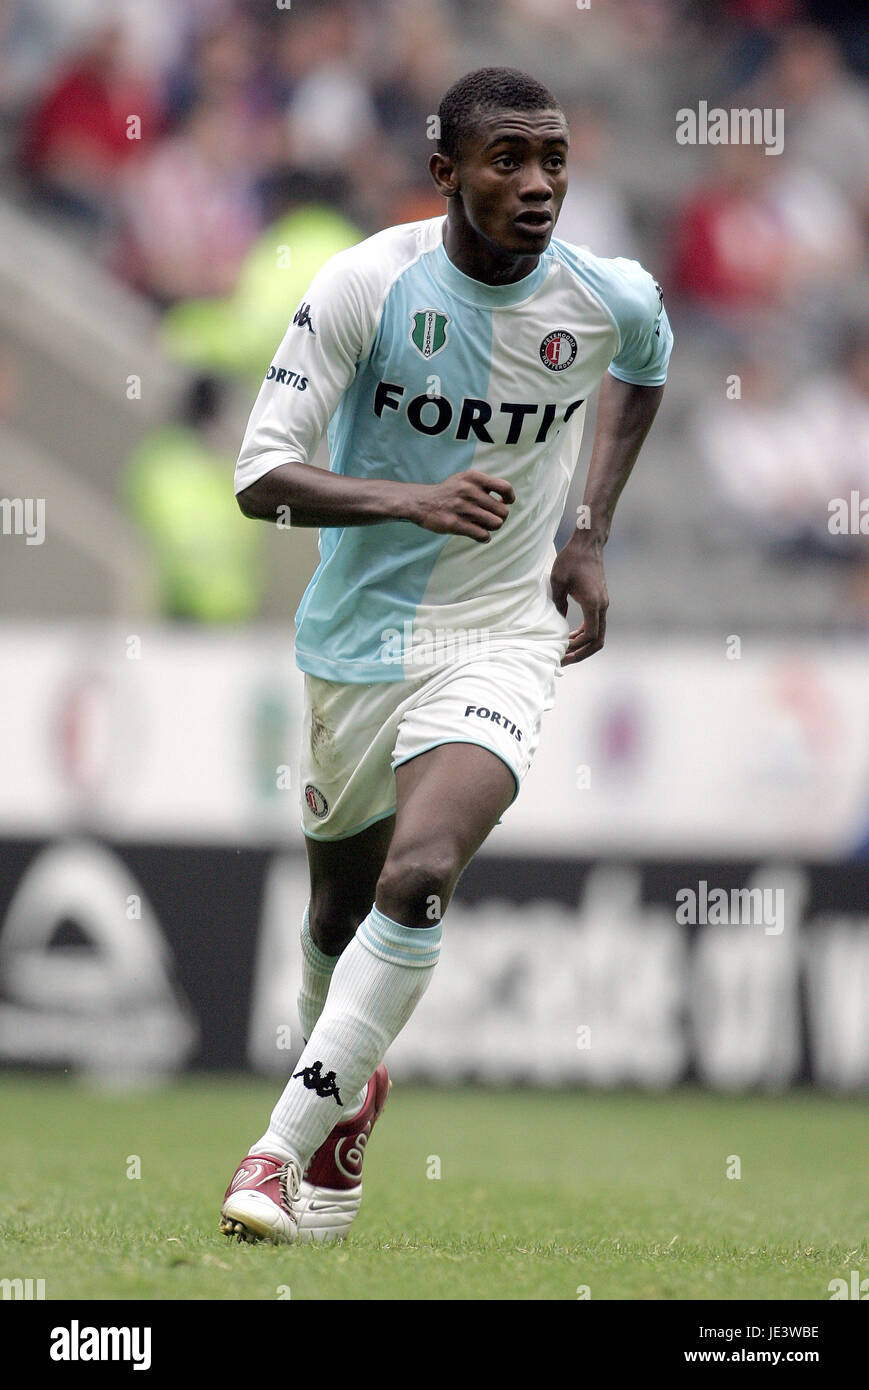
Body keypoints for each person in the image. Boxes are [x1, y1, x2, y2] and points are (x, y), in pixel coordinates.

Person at [220, 67, 673, 1245]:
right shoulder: (365, 283)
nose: (536, 186)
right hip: (354, 645)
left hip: (501, 638)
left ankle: (271, 1155)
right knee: (332, 916)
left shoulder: (602, 294)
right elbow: (258, 477)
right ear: (444, 173)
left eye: (553, 161)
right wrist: (408, 501)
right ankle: (345, 1098)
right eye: (506, 161)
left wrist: (587, 533)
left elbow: (646, 358)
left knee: (417, 874)